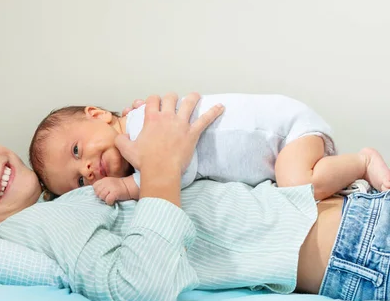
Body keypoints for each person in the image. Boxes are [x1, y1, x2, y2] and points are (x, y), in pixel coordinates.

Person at [0, 93, 390, 301]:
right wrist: (161, 168)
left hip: (355, 217)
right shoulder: (39, 229)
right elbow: (137, 287)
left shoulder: (63, 199)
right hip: (353, 250)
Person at [28, 93, 390, 204]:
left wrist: (128, 188)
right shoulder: (140, 142)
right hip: (277, 145)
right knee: (295, 191)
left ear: (97, 115)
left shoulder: (143, 124)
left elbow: (177, 169)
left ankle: (361, 161)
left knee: (296, 187)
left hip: (284, 131)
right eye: (78, 182)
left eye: (76, 151)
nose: (87, 171)